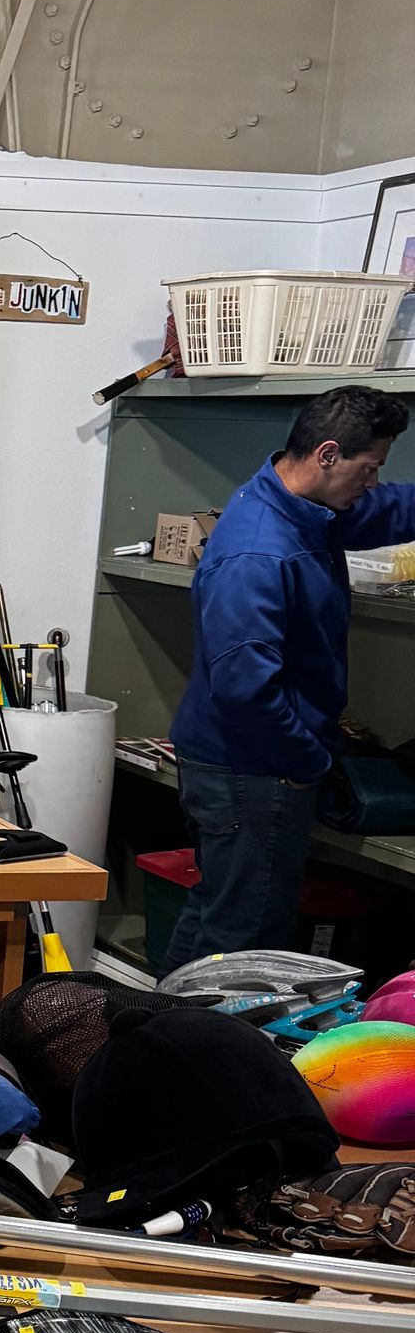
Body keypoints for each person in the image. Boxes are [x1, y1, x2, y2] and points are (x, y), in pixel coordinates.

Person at [165, 383, 415, 967]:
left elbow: (383, 509)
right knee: (247, 940)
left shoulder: (301, 508)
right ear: (328, 455)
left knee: (216, 919)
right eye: (369, 467)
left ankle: (155, 1037)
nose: (373, 481)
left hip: (243, 760)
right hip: (253, 767)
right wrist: (306, 763)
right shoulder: (260, 552)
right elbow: (246, 688)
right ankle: (200, 1055)